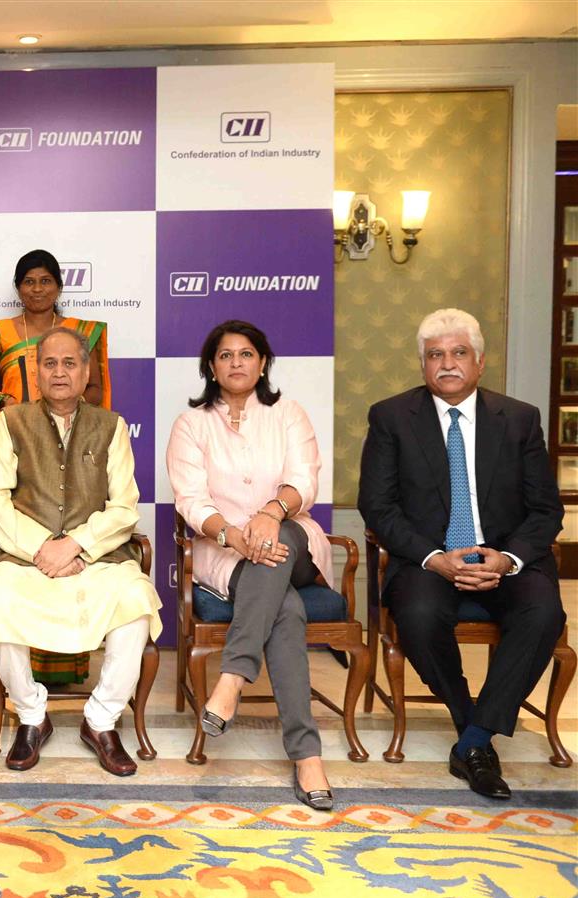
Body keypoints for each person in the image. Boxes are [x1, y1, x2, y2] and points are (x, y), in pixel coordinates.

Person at [359, 308, 564, 802]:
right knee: (419, 613)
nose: (447, 364)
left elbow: (545, 510)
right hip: (427, 559)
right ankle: (470, 722)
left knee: (544, 613)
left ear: (480, 362)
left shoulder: (518, 419)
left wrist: (507, 559)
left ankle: (473, 742)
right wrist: (434, 557)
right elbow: (377, 506)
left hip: (504, 556)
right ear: (422, 365)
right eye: (435, 355)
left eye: (458, 353)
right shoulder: (391, 417)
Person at [0, 327, 161, 776]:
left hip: (94, 557)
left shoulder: (110, 426)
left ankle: (101, 720)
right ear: (36, 372)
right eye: (50, 364)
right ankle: (32, 716)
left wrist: (77, 545)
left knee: (135, 601)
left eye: (69, 364)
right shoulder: (12, 422)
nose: (59, 373)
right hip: (27, 556)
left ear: (87, 371)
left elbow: (124, 507)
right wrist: (43, 548)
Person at [165, 320, 335, 811]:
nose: (236, 362)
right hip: (225, 549)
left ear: (262, 363)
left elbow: (304, 480)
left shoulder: (288, 414)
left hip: (293, 540)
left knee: (277, 544)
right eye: (225, 355)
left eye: (246, 354)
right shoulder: (191, 425)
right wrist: (235, 535)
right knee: (284, 610)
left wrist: (267, 516)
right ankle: (307, 755)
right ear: (211, 367)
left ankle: (233, 677)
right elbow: (191, 500)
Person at [0, 249, 112, 686]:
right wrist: (6, 402)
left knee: (69, 524)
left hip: (71, 439)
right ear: (18, 288)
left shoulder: (84, 333)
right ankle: (22, 674)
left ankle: (67, 664)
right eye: (28, 281)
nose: (37, 289)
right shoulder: (1, 331)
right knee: (21, 531)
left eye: (45, 281)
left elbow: (97, 390)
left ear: (58, 286)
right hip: (19, 440)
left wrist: (73, 424)